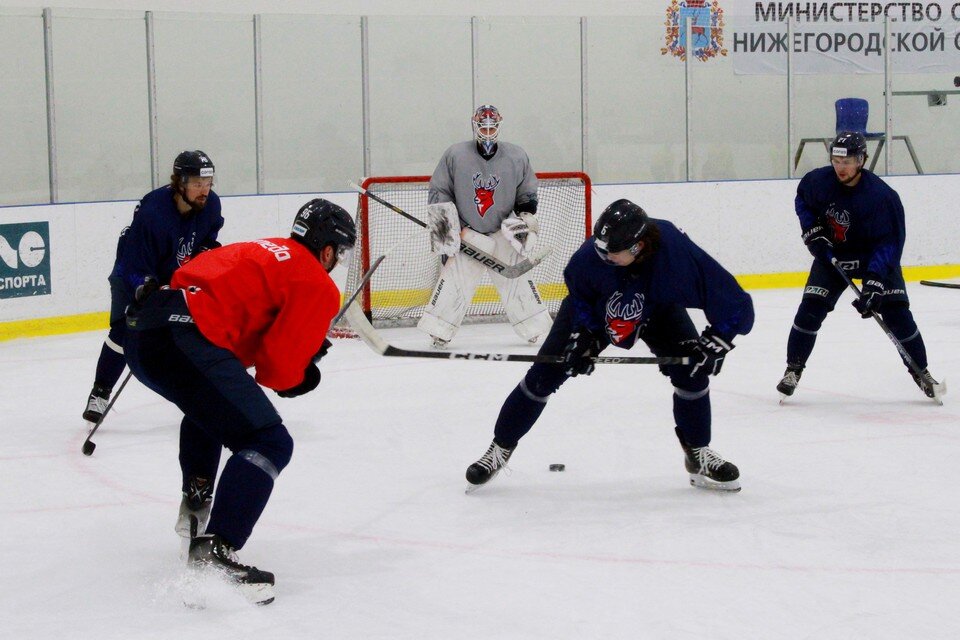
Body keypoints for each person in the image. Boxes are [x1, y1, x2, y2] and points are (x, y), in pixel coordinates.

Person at [122, 199, 356, 605]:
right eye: (340, 253)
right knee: (270, 442)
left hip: (146, 331)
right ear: (328, 249)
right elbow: (278, 373)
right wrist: (305, 371)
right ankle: (216, 550)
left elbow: (201, 286)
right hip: (187, 337)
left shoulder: (264, 248)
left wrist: (297, 348)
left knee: (209, 406)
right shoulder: (315, 281)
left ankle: (195, 505)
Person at [464, 198, 754, 492]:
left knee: (692, 372)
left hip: (658, 308)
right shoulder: (588, 259)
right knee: (544, 375)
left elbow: (733, 300)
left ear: (637, 246)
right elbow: (580, 299)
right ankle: (499, 448)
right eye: (599, 246)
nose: (601, 254)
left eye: (611, 251)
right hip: (599, 308)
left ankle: (697, 452)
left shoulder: (676, 254)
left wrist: (719, 339)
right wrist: (584, 336)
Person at [776, 131, 940, 400]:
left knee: (897, 315)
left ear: (862, 160)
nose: (840, 167)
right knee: (809, 311)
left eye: (848, 161)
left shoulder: (881, 197)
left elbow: (889, 243)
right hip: (833, 256)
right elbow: (802, 199)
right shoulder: (818, 181)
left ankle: (921, 371)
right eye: (836, 161)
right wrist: (812, 231)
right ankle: (793, 369)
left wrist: (874, 282)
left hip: (872, 257)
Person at [82, 150, 223, 424]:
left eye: (208, 184)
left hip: (175, 272)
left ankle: (194, 394)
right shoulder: (153, 213)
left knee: (188, 329)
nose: (204, 191)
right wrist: (145, 288)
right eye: (197, 184)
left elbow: (209, 235)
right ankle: (100, 392)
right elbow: (135, 263)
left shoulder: (211, 204)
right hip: (132, 271)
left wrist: (204, 253)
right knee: (125, 329)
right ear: (179, 183)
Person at [418, 104, 552, 348]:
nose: (488, 131)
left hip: (503, 232)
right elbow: (440, 190)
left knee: (517, 280)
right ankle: (440, 329)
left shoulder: (517, 155)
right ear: (475, 125)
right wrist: (446, 233)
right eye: (483, 126)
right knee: (455, 282)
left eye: (492, 126)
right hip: (467, 233)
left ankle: (532, 326)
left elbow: (526, 190)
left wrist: (526, 215)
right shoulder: (455, 155)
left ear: (499, 125)